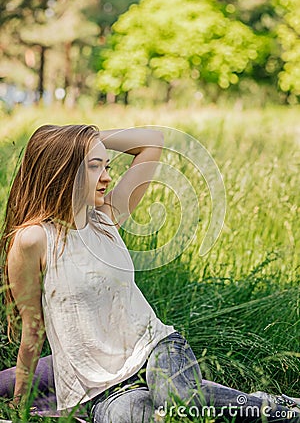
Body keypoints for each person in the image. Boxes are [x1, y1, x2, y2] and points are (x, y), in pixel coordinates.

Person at [0, 124, 299, 423]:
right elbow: (33, 330)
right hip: (101, 390)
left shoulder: (106, 215)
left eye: (107, 165)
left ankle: (282, 412)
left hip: (155, 350)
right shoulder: (33, 240)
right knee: (130, 418)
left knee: (177, 397)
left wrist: (86, 139)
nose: (107, 176)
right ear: (64, 169)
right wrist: (18, 408)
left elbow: (152, 142)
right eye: (94, 167)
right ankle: (256, 405)